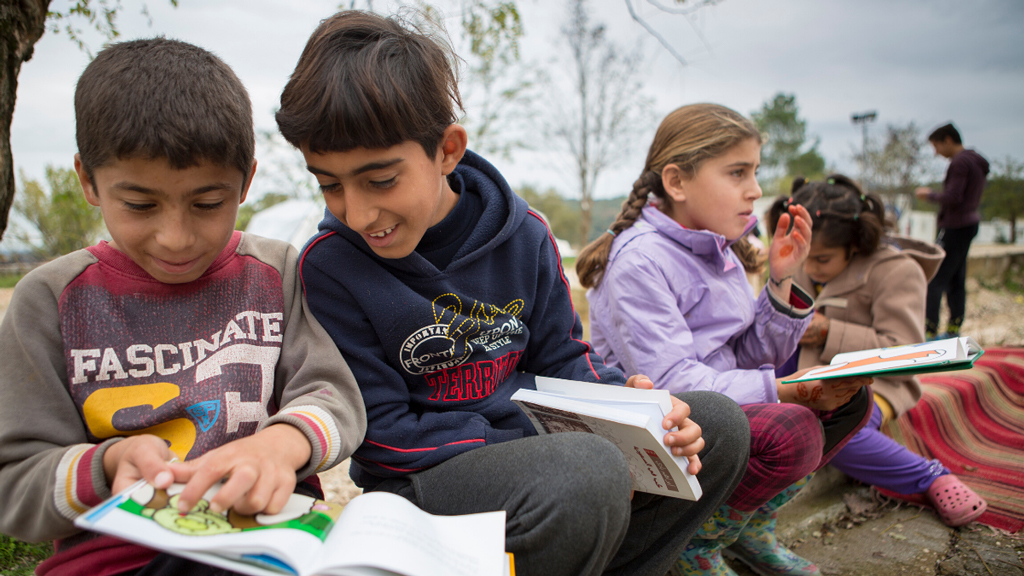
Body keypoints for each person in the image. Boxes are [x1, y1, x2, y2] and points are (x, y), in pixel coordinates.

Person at [278, 12, 750, 576]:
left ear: (447, 150)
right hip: (422, 482)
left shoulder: (526, 235)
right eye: (329, 183)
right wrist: (553, 440)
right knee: (587, 470)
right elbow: (383, 436)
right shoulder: (330, 266)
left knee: (716, 427)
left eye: (380, 180)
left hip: (555, 453)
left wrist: (628, 408)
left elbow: (563, 360)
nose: (356, 212)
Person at [0, 39, 367, 576]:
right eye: (140, 204)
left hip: (269, 542)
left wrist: (281, 446)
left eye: (207, 203)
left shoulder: (276, 273)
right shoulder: (50, 301)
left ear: (245, 182)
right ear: (87, 180)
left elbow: (336, 400)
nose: (175, 237)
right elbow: (14, 484)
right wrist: (106, 465)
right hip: (119, 560)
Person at [577, 103, 872, 576]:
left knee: (853, 400)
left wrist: (779, 281)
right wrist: (780, 389)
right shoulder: (639, 262)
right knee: (791, 429)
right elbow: (674, 383)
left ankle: (750, 529)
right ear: (676, 182)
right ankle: (696, 539)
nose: (755, 190)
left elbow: (749, 355)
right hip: (670, 424)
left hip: (717, 409)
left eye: (755, 172)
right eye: (737, 173)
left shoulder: (723, 249)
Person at [769, 174, 988, 528]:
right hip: (803, 371)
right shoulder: (803, 259)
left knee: (835, 434)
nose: (808, 269)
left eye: (821, 260)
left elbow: (903, 352)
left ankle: (930, 477)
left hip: (872, 384)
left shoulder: (897, 271)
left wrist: (829, 332)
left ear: (854, 245)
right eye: (805, 257)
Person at [914, 123, 990, 339]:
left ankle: (929, 331)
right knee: (957, 277)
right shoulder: (976, 161)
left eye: (936, 146)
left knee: (934, 277)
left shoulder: (960, 163)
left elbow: (954, 197)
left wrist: (929, 195)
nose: (936, 152)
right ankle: (954, 327)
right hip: (968, 224)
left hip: (955, 226)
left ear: (948, 140)